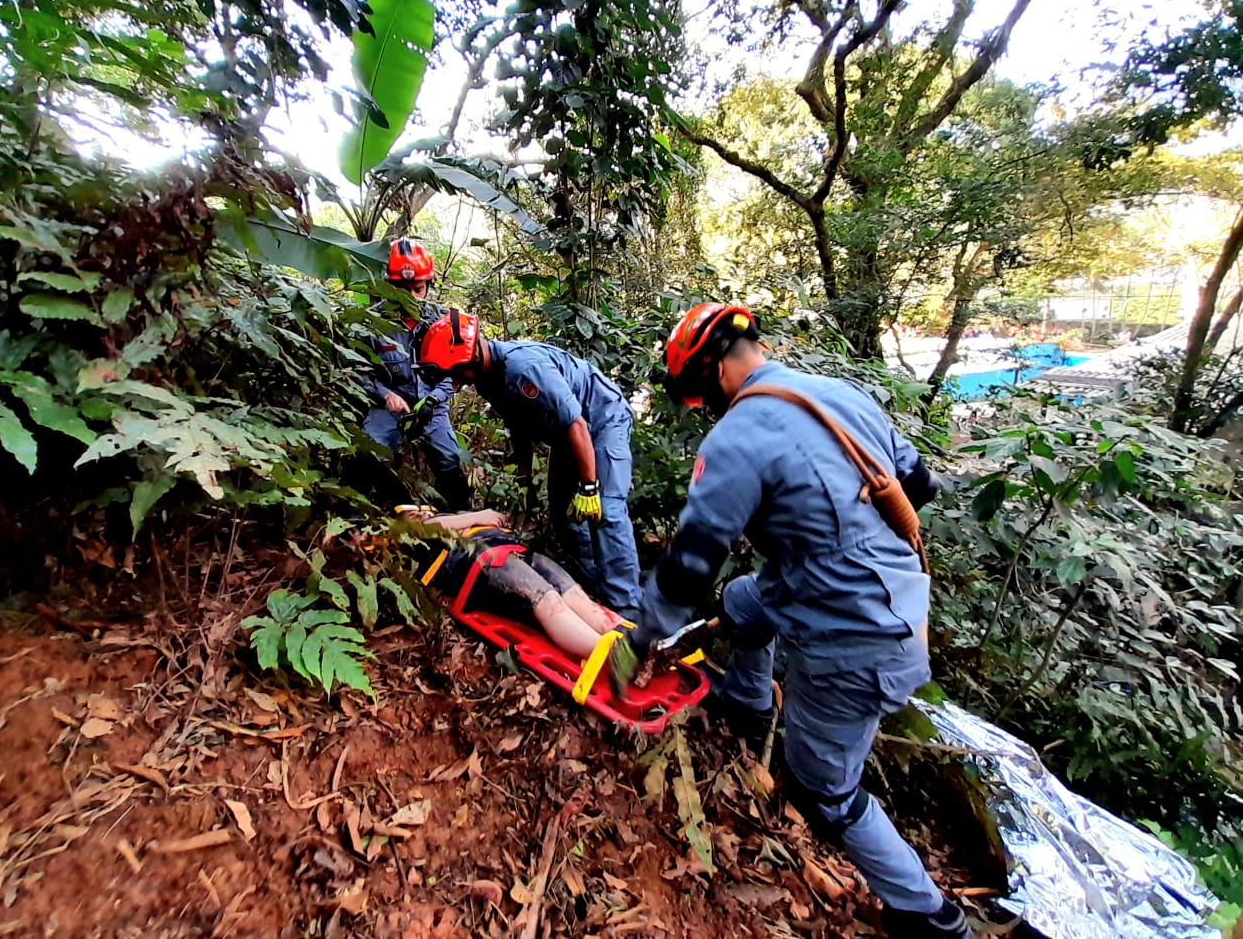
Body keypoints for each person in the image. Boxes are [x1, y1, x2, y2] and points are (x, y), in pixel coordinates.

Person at [606, 303, 971, 939]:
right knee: (744, 600)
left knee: (823, 792)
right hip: (894, 597)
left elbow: (690, 565)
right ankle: (749, 702)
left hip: (853, 636)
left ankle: (929, 914)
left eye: (700, 396)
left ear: (714, 371)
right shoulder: (840, 394)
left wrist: (640, 639)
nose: (707, 410)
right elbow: (919, 483)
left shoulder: (737, 437)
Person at [414, 310, 642, 622]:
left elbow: (577, 423)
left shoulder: (525, 368)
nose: (455, 382)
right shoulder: (488, 380)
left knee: (606, 510)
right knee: (563, 512)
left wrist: (589, 486)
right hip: (567, 434)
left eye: (457, 372)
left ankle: (628, 607)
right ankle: (593, 583)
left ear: (473, 357)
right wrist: (525, 480)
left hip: (601, 421)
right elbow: (518, 426)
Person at [398, 505, 621, 658]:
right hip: (480, 561)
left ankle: (630, 641)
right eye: (413, 514)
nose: (420, 514)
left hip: (511, 550)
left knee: (575, 595)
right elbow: (425, 528)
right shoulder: (415, 538)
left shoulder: (455, 517)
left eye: (420, 510)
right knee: (550, 602)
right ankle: (612, 655)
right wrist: (477, 516)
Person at [361, 239, 470, 510]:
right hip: (389, 406)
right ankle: (353, 520)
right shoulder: (371, 322)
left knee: (450, 462)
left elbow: (454, 372)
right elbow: (359, 371)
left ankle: (461, 518)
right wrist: (385, 395)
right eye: (402, 289)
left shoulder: (443, 321)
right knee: (366, 454)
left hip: (432, 405)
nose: (410, 296)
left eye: (417, 289)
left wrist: (434, 399)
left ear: (428, 285)